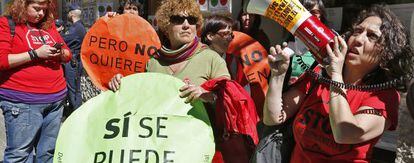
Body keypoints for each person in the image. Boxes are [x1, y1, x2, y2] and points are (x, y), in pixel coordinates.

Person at [264, 5, 413, 162]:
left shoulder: (384, 96)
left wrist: (335, 74)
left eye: (372, 36)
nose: (358, 39)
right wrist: (277, 76)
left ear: (387, 53)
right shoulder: (320, 76)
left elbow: (345, 132)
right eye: (357, 31)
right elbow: (272, 118)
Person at [109, 0, 229, 106]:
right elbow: (140, 97)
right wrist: (122, 84)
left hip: (202, 130)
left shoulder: (211, 58)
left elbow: (230, 98)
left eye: (191, 20)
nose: (186, 25)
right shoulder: (153, 61)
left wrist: (207, 95)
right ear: (166, 26)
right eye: (178, 19)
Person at [0, 0, 72, 162]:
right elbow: (2, 60)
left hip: (55, 100)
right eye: (37, 9)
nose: (40, 14)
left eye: (44, 10)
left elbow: (68, 53)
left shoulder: (48, 25)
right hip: (22, 101)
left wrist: (60, 54)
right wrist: (35, 54)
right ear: (22, 5)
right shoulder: (7, 23)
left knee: (47, 153)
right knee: (19, 154)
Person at [285, 0, 327, 85]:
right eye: (304, 13)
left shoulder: (328, 47)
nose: (308, 18)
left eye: (314, 13)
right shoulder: (289, 43)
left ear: (321, 17)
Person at [63, 4, 86, 111]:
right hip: (75, 61)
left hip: (73, 63)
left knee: (73, 89)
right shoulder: (79, 26)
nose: (67, 14)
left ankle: (75, 112)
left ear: (72, 14)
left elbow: (62, 40)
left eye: (68, 12)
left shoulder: (76, 28)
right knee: (75, 88)